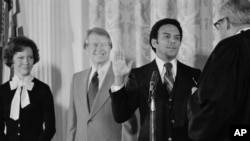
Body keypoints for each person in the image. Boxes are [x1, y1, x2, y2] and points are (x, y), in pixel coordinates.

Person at [110, 18, 201, 141]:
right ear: (154, 43)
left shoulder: (193, 75)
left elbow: (203, 115)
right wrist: (119, 78)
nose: (172, 41)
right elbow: (121, 115)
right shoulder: (139, 75)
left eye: (177, 38)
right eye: (167, 37)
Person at [188, 0, 250, 141]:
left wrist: (195, 98)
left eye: (218, 25)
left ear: (226, 22)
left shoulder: (231, 47)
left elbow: (214, 101)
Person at [66, 27, 138, 141]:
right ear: (86, 48)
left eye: (104, 44)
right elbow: (72, 123)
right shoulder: (77, 78)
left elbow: (131, 125)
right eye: (95, 44)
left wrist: (119, 79)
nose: (99, 48)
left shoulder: (125, 76)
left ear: (110, 48)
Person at [0, 36, 56, 141]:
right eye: (21, 58)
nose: (26, 62)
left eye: (30, 57)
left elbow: (50, 128)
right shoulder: (2, 91)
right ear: (11, 59)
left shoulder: (43, 89)